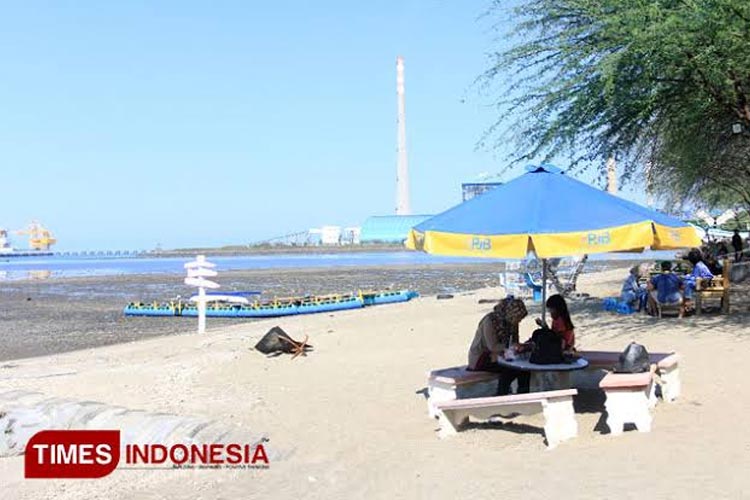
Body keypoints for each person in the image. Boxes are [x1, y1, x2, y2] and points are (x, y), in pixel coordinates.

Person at [467, 297, 530, 395]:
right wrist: (512, 346)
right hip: (482, 357)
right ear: (511, 315)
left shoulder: (512, 322)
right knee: (508, 371)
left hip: (500, 355)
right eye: (518, 319)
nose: (519, 321)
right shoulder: (489, 321)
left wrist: (519, 347)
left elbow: (515, 341)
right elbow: (492, 346)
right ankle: (502, 395)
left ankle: (523, 395)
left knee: (524, 370)